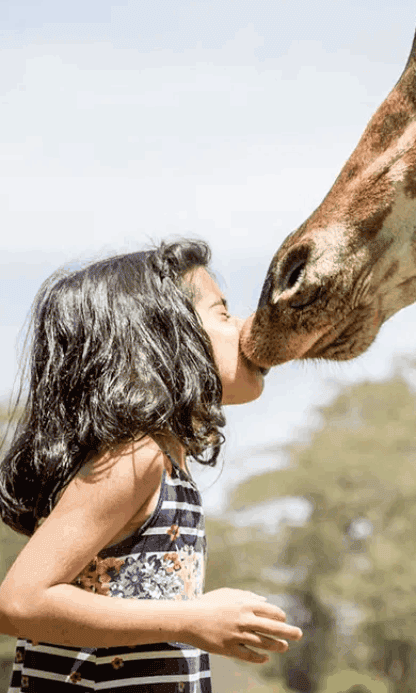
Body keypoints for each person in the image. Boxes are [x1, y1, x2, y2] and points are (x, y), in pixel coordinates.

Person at [0, 238, 303, 690]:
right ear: (164, 338)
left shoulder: (166, 464)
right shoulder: (134, 458)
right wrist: (191, 618)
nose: (241, 325)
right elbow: (19, 602)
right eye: (222, 313)